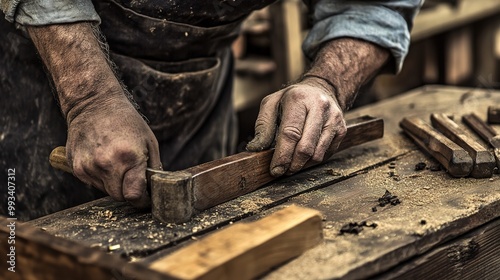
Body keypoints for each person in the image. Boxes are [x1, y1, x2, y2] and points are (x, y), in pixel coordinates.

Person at [0, 0, 422, 220]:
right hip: (47, 66)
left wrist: (326, 82)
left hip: (198, 82)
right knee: (27, 251)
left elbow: (374, 5)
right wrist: (88, 98)